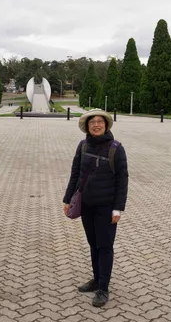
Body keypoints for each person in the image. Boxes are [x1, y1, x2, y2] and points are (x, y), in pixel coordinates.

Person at [63, 109, 129, 307]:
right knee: (93, 244)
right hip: (87, 206)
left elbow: (122, 180)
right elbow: (75, 174)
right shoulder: (83, 146)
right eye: (93, 122)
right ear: (88, 126)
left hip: (106, 207)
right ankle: (96, 279)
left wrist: (118, 208)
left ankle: (103, 288)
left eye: (100, 122)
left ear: (106, 125)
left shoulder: (116, 148)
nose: (97, 125)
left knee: (105, 246)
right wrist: (68, 199)